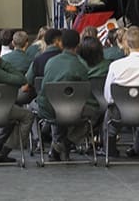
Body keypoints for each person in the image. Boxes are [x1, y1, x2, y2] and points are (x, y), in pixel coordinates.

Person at [37, 29, 98, 161]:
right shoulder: (81, 65)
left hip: (48, 109)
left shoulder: (50, 62)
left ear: (61, 43)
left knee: (61, 110)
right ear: (78, 45)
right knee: (93, 112)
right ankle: (66, 143)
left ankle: (58, 146)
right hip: (71, 109)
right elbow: (86, 93)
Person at [103, 29, 139, 158]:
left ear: (126, 44)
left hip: (120, 112)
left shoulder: (115, 66)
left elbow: (108, 95)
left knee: (109, 113)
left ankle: (110, 149)